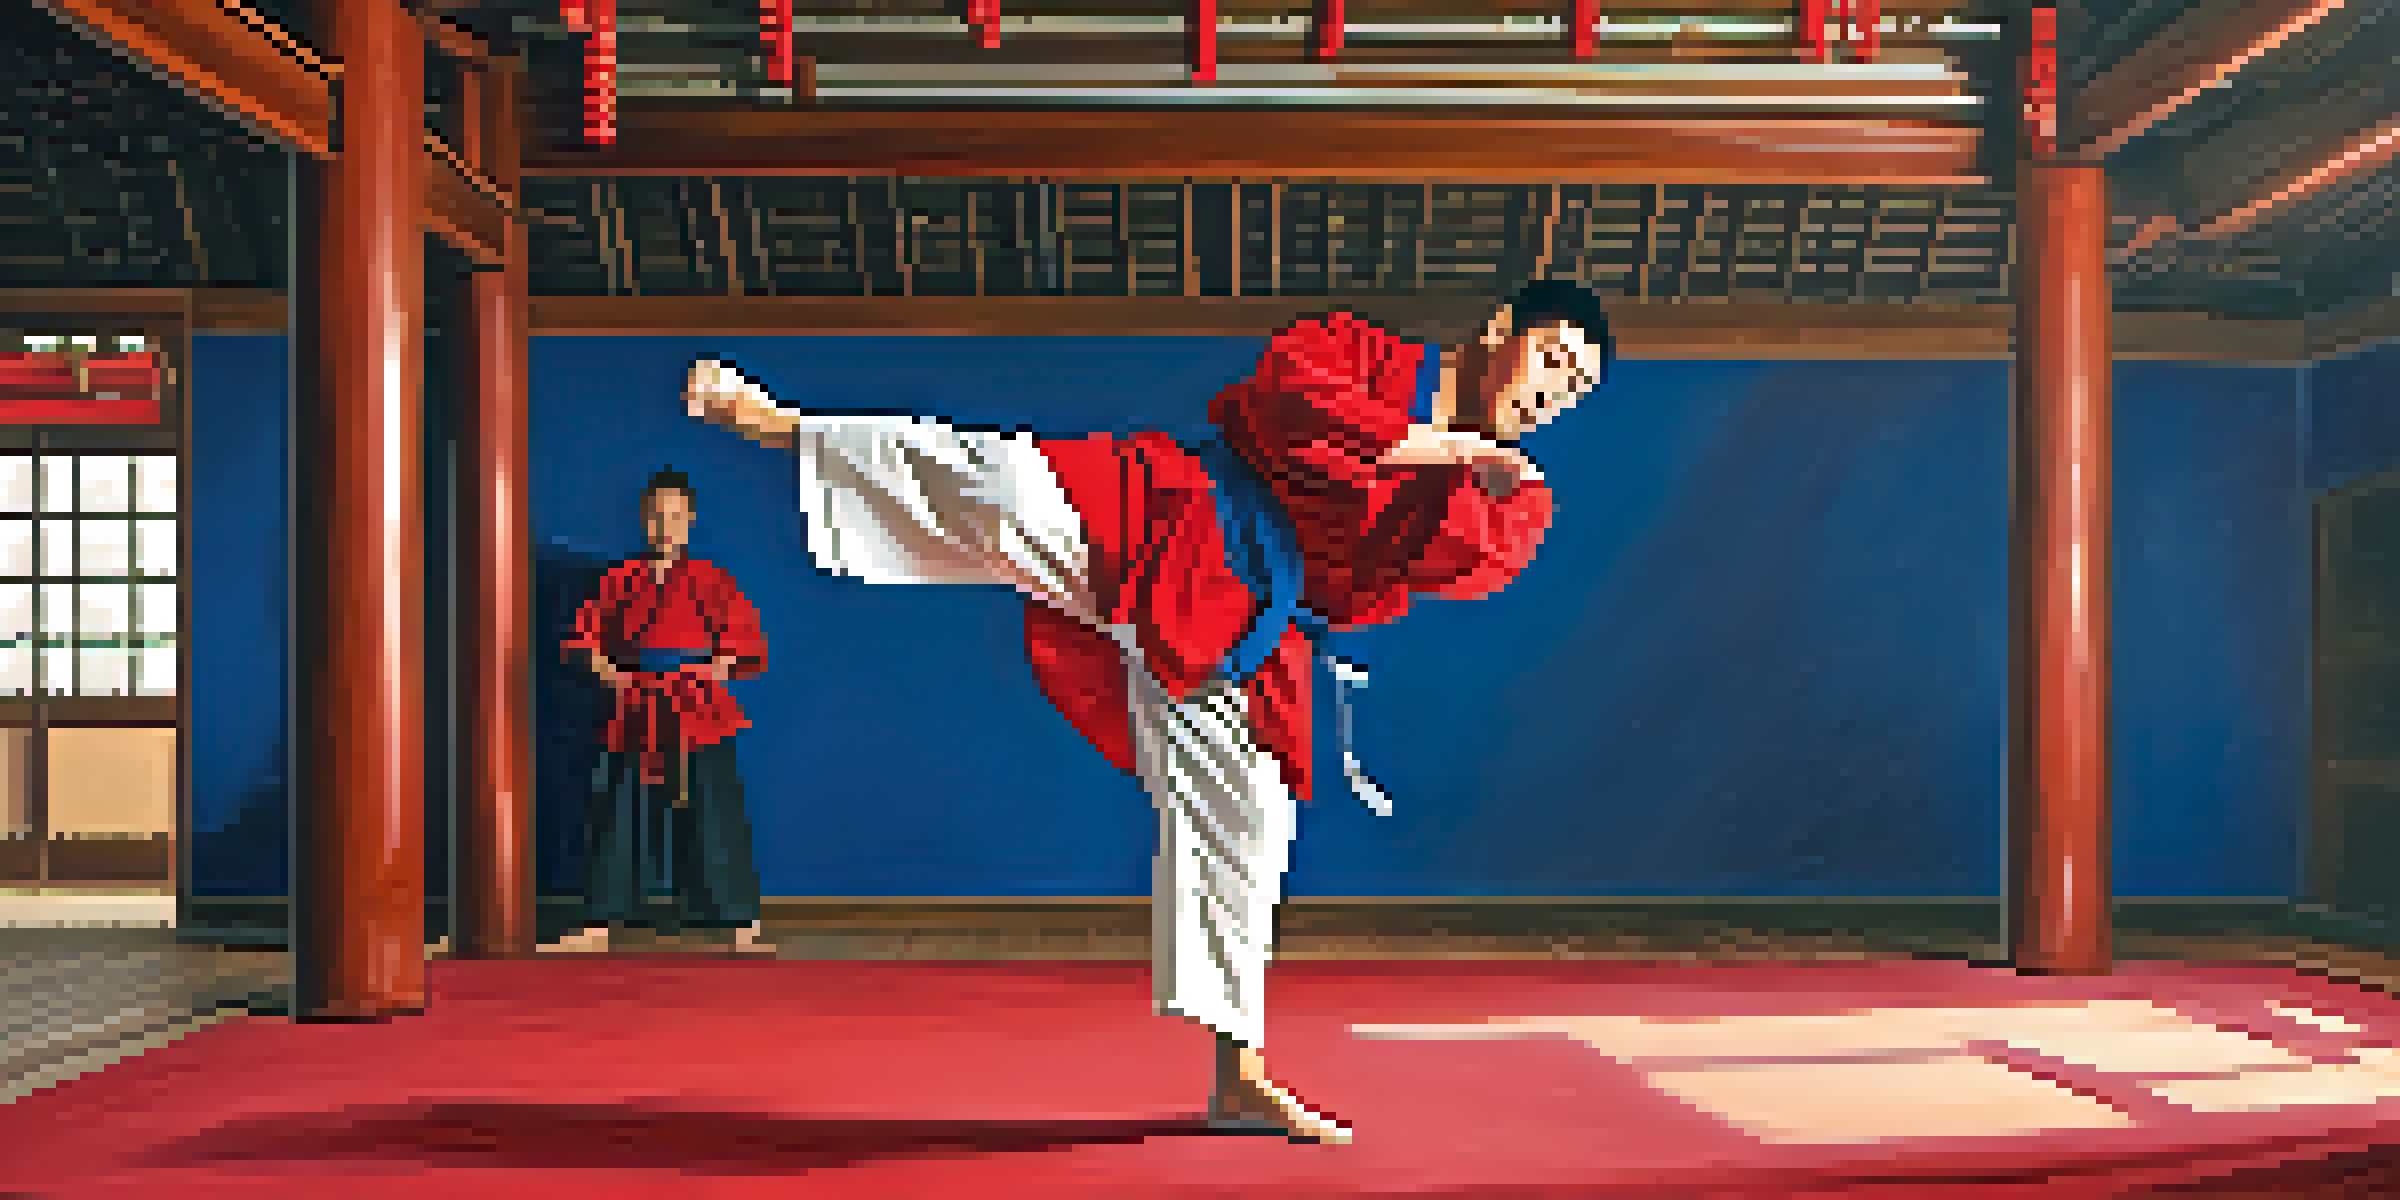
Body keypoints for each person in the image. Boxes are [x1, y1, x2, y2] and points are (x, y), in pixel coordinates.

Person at [684, 281, 1612, 1142]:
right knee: (1001, 488)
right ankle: (784, 426)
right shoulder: (1364, 353)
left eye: (1578, 387)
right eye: (1556, 359)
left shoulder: (1509, 488)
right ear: (1500, 330)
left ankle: (1237, 1071)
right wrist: (1443, 447)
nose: (1557, 393)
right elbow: (1289, 406)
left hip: (1243, 620)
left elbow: (1461, 565)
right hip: (1167, 514)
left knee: (1253, 822)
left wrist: (1476, 478)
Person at [554, 468, 773, 955]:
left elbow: (741, 636)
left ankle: (738, 919)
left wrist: (719, 665)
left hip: (696, 701)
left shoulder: (711, 579)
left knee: (714, 807)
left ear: (690, 520)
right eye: (656, 515)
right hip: (637, 699)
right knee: (618, 807)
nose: (665, 525)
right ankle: (600, 918)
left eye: (675, 515)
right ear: (643, 519)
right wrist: (611, 673)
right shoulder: (619, 579)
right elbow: (587, 637)